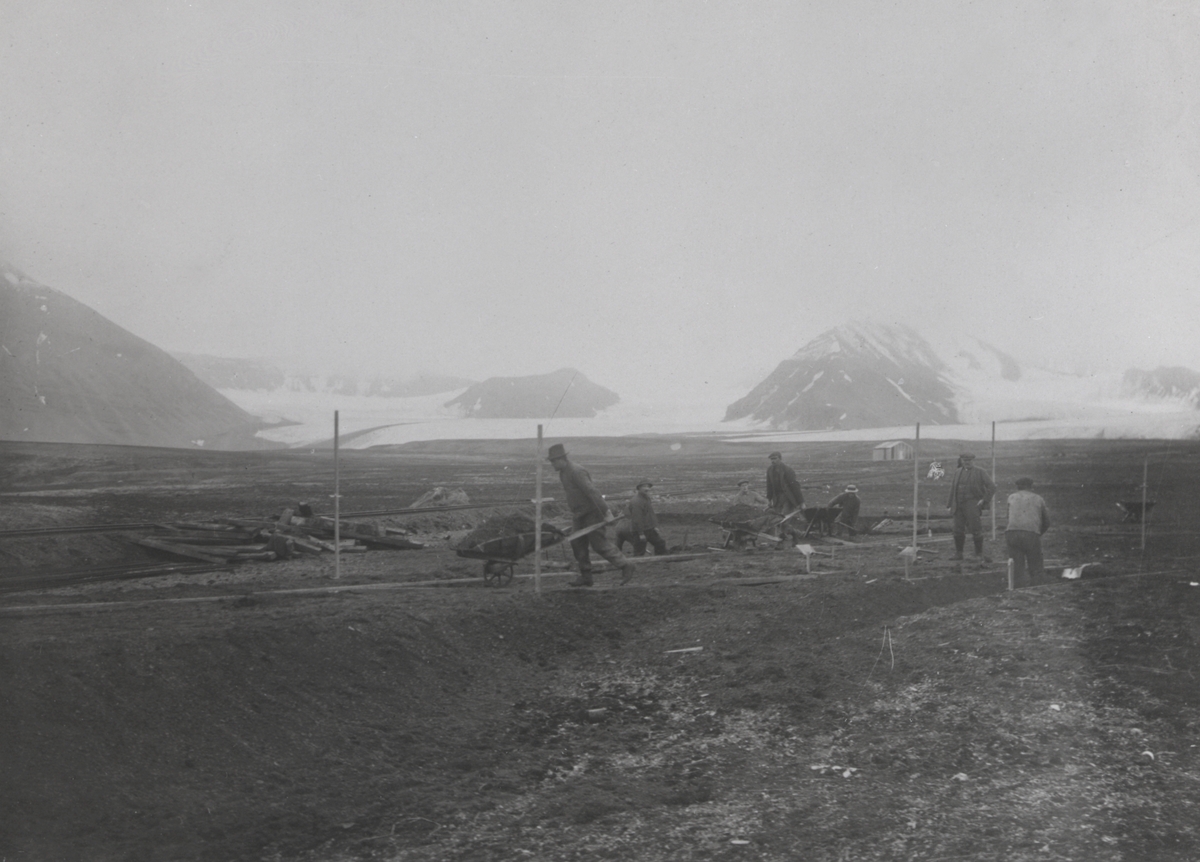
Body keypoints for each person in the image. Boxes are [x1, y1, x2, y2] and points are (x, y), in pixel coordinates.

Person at [547, 443, 635, 587]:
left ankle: (625, 565)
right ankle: (586, 576)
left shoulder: (576, 471)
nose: (552, 464)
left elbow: (592, 492)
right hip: (579, 515)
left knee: (599, 544)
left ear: (561, 459)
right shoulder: (563, 473)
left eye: (553, 461)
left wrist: (606, 512)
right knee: (577, 543)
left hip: (592, 513)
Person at [946, 453, 996, 563]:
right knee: (957, 530)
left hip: (972, 504)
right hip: (958, 505)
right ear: (961, 460)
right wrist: (949, 505)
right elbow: (953, 489)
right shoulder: (958, 472)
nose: (966, 462)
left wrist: (984, 500)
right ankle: (959, 554)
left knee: (976, 529)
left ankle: (979, 554)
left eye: (969, 460)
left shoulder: (980, 472)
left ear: (973, 461)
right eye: (964, 460)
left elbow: (992, 487)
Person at [1005, 477, 1051, 587]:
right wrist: (1038, 533)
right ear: (1031, 487)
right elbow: (1047, 521)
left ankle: (1017, 589)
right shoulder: (1038, 498)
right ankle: (1036, 588)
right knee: (1035, 564)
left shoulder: (1011, 497)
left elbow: (1008, 517)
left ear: (1018, 487)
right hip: (1031, 533)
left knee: (1017, 565)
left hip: (1012, 532)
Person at [766, 451, 805, 546]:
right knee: (777, 520)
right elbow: (769, 486)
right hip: (777, 499)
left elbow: (795, 486)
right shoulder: (770, 470)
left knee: (784, 520)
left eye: (774, 459)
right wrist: (769, 499)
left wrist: (801, 502)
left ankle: (781, 543)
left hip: (788, 499)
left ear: (780, 458)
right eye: (771, 459)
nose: (772, 461)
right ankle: (795, 535)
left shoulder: (787, 470)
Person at [626, 479, 669, 556]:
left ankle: (660, 562)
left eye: (648, 487)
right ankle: (636, 566)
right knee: (639, 551)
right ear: (639, 488)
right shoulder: (636, 501)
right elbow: (637, 519)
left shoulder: (646, 498)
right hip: (640, 530)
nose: (647, 489)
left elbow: (650, 514)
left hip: (650, 528)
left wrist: (654, 526)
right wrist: (640, 533)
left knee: (660, 543)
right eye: (644, 486)